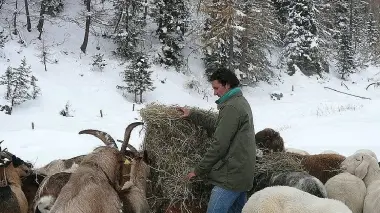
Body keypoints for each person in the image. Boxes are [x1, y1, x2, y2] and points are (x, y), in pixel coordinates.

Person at [177, 67, 256, 213]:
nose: (214, 92)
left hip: (230, 177)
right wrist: (193, 115)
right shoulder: (239, 102)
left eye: (216, 88)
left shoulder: (232, 107)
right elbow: (220, 125)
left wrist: (198, 170)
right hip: (242, 174)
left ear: (227, 85)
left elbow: (219, 145)